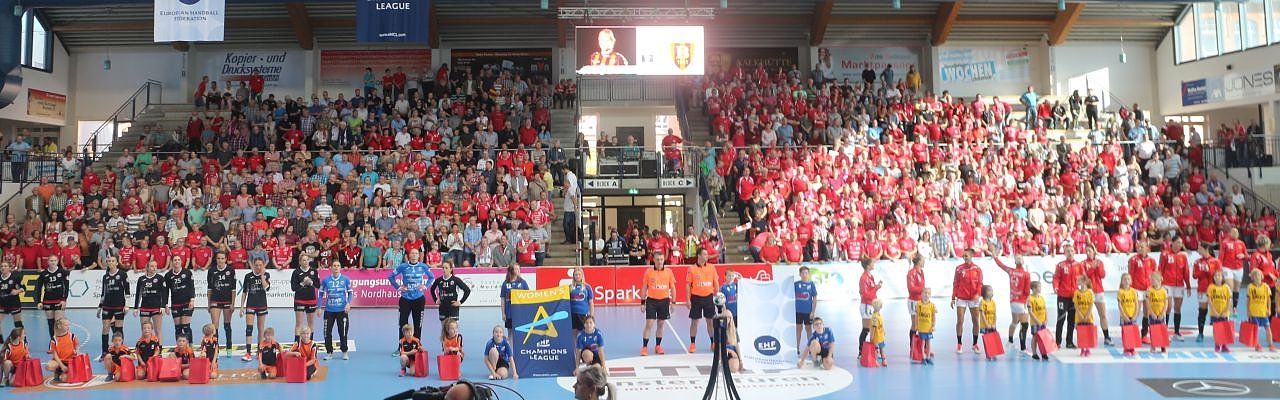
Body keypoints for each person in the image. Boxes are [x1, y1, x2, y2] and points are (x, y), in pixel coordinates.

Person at [389, 248, 434, 354]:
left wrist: (425, 286)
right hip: (405, 299)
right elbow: (391, 276)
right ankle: (401, 348)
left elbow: (431, 277)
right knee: (402, 323)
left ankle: (417, 346)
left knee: (418, 324)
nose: (414, 255)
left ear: (419, 256)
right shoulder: (403, 266)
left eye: (416, 253)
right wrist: (398, 287)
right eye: (412, 253)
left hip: (419, 299)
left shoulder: (423, 266)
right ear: (409, 255)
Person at [994, 254, 1030, 353]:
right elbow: (1027, 291)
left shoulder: (1011, 271)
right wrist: (1027, 303)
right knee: (1024, 325)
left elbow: (1001, 265)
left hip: (1013, 301)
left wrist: (995, 257)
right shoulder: (1026, 274)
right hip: (1021, 302)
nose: (1019, 258)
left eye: (1020, 257)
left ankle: (1010, 341)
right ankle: (1023, 348)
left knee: (1014, 321)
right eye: (1018, 258)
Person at [639, 258, 674, 356]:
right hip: (651, 301)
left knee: (661, 324)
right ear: (654, 260)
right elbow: (644, 287)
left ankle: (658, 346)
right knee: (649, 323)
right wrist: (642, 303)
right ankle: (644, 347)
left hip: (664, 301)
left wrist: (673, 302)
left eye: (661, 259)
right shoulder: (648, 272)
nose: (659, 261)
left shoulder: (668, 272)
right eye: (658, 259)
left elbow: (673, 288)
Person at [319, 260, 353, 360]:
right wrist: (319, 307)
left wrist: (348, 303)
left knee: (343, 332)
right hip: (329, 310)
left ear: (340, 268)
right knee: (327, 332)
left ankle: (344, 351)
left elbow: (350, 293)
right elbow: (320, 294)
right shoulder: (326, 280)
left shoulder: (345, 279)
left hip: (342, 310)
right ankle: (329, 352)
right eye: (334, 265)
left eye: (338, 265)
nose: (336, 267)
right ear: (331, 268)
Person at [686, 249, 718, 353]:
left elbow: (715, 282)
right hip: (696, 298)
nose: (707, 256)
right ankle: (692, 344)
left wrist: (717, 294)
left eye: (707, 254)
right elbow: (688, 285)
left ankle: (713, 342)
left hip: (708, 298)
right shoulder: (692, 268)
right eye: (705, 254)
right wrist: (688, 299)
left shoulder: (711, 267)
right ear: (699, 256)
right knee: (694, 322)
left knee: (710, 322)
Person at [97, 256, 129, 361]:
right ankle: (104, 351)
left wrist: (127, 305)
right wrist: (99, 307)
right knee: (105, 328)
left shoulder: (123, 274)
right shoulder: (105, 276)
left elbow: (127, 291)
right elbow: (103, 293)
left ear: (116, 263)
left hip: (119, 305)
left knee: (119, 328)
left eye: (113, 261)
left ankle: (121, 350)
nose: (110, 262)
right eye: (109, 261)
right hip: (107, 305)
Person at [952, 249, 983, 353]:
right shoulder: (959, 269)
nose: (964, 257)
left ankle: (975, 344)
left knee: (976, 321)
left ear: (971, 256)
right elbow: (955, 283)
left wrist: (978, 294)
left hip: (974, 299)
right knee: (960, 320)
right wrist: (953, 297)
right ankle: (959, 344)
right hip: (961, 298)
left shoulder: (977, 269)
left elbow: (980, 283)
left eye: (966, 256)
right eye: (963, 256)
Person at [240, 259, 272, 362]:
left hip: (262, 305)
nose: (258, 267)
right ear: (253, 265)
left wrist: (262, 276)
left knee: (261, 329)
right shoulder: (248, 276)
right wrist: (242, 307)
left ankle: (259, 351)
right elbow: (244, 292)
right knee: (249, 328)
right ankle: (248, 353)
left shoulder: (266, 275)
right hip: (250, 305)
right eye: (256, 265)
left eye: (260, 265)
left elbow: (266, 288)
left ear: (263, 265)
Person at [1081, 246, 1112, 346]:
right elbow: (1084, 277)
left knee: (1103, 315)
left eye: (1089, 251)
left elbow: (1102, 275)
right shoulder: (1083, 263)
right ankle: (1086, 338)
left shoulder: (1099, 262)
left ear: (1094, 251)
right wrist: (1092, 268)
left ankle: (1107, 337)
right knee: (1086, 315)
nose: (1087, 253)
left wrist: (1097, 267)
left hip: (1098, 291)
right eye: (1086, 251)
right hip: (1087, 292)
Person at [208, 253, 238, 355]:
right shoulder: (211, 271)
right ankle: (215, 347)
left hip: (227, 300)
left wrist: (233, 303)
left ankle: (229, 347)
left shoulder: (230, 270)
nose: (220, 260)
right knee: (214, 325)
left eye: (222, 258)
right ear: (216, 259)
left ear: (225, 259)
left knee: (227, 324)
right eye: (218, 258)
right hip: (215, 300)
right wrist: (209, 303)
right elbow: (209, 288)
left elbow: (233, 289)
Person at [1162, 237, 1191, 341]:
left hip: (1179, 285)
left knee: (1177, 308)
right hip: (1167, 284)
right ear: (1172, 243)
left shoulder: (1183, 256)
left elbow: (1186, 271)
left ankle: (1176, 332)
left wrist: (1188, 285)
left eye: (1181, 243)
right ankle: (1164, 331)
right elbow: (1161, 268)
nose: (1180, 245)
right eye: (1178, 242)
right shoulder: (1165, 254)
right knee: (1168, 307)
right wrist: (1159, 284)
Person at [35, 255, 70, 339]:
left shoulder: (63, 272)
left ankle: (62, 342)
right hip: (47, 300)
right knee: (51, 323)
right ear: (48, 262)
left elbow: (66, 287)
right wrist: (39, 301)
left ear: (57, 262)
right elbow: (38, 288)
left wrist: (64, 299)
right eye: (51, 260)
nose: (53, 262)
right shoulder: (43, 273)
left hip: (59, 300)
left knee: (59, 323)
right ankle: (53, 342)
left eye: (55, 260)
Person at [1194, 242, 1222, 342]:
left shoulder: (1216, 261)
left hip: (1214, 290)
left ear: (1206, 249)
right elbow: (1194, 275)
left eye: (1200, 248)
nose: (1198, 250)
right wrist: (1203, 271)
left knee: (1217, 310)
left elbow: (1219, 275)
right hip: (1202, 289)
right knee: (1202, 311)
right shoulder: (1197, 262)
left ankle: (1219, 334)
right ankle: (1200, 333)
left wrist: (1209, 271)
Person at [1054, 245, 1081, 348]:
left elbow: (1083, 278)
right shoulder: (1060, 265)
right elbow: (1056, 278)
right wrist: (1056, 287)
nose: (1070, 253)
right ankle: (1057, 342)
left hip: (1074, 297)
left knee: (1071, 320)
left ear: (1074, 252)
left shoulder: (1079, 265)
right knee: (1061, 318)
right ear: (1065, 253)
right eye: (1068, 251)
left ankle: (1069, 342)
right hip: (1062, 296)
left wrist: (1084, 289)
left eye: (1071, 251)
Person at [1129, 241, 1157, 338]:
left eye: (1142, 247)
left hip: (1148, 289)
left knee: (1147, 312)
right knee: (1135, 311)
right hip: (1137, 289)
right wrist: (1131, 289)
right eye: (1138, 247)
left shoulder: (1152, 260)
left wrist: (1153, 287)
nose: (1139, 249)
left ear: (1147, 248)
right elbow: (1131, 274)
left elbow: (1154, 275)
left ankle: (1144, 334)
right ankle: (1132, 333)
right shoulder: (1133, 259)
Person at [135, 260, 168, 342]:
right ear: (147, 268)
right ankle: (146, 346)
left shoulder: (160, 278)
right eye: (152, 266)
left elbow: (164, 293)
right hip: (144, 307)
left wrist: (163, 306)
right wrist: (136, 307)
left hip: (156, 307)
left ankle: (159, 348)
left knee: (157, 330)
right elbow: (138, 294)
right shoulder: (141, 279)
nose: (154, 268)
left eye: (155, 266)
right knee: (145, 330)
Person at [167, 256, 196, 344]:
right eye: (175, 260)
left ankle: (190, 346)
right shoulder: (168, 275)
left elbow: (191, 287)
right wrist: (165, 305)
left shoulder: (187, 272)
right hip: (175, 303)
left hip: (186, 302)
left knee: (185, 326)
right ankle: (179, 347)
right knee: (178, 328)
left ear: (181, 262)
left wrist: (192, 300)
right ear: (172, 262)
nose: (177, 261)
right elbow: (165, 291)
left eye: (178, 260)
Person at [1245, 269, 1276, 352]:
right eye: (1255, 276)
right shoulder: (1250, 287)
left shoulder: (1266, 287)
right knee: (1256, 329)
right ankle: (1257, 344)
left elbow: (1269, 299)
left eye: (1258, 275)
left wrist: (1269, 309)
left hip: (1263, 312)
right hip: (1254, 312)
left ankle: (1271, 344)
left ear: (1262, 276)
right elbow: (1248, 300)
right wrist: (1248, 311)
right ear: (1252, 278)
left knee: (1268, 328)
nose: (1257, 277)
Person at [291, 258, 320, 343]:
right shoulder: (296, 272)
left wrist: (311, 282)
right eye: (304, 260)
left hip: (311, 299)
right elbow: (293, 288)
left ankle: (310, 343)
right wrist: (303, 283)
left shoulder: (313, 271)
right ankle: (296, 344)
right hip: (299, 299)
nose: (306, 262)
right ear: (300, 262)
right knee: (299, 323)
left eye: (307, 260)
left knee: (311, 322)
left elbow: (318, 285)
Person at [500, 265, 530, 341]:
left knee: (520, 331)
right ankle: (510, 348)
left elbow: (528, 297)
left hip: (520, 312)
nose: (518, 270)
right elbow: (503, 299)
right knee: (510, 332)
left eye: (519, 269)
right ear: (512, 270)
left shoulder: (523, 282)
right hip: (509, 313)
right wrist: (503, 313)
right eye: (516, 269)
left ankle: (520, 347)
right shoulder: (505, 283)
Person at [794, 266, 818, 355]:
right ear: (800, 274)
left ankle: (811, 348)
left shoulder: (811, 284)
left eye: (806, 273)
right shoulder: (796, 284)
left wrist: (813, 312)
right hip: (798, 312)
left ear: (808, 274)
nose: (804, 275)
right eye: (803, 273)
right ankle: (796, 348)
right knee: (798, 330)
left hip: (808, 312)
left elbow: (815, 298)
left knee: (808, 330)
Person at [1207, 270, 1231, 352]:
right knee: (1216, 329)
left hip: (1224, 313)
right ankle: (1217, 344)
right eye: (1215, 276)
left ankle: (1224, 345)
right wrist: (1214, 312)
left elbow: (1229, 301)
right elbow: (1209, 301)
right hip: (1215, 313)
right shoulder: (1211, 287)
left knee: (1225, 329)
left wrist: (1226, 311)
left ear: (1222, 277)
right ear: (1213, 278)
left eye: (1219, 275)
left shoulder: (1226, 287)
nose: (1217, 277)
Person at [906, 257, 926, 351]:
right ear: (918, 262)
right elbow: (911, 288)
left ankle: (923, 347)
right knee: (915, 325)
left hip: (921, 300)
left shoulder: (921, 272)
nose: (924, 262)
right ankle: (912, 347)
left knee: (922, 323)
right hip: (914, 301)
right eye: (923, 260)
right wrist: (923, 290)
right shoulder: (911, 273)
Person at [1117, 273, 1140, 356]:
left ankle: (1132, 348)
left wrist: (1135, 315)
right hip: (1124, 316)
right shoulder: (1120, 292)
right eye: (1125, 279)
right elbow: (1120, 305)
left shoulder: (1133, 291)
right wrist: (1124, 316)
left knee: (1132, 332)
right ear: (1122, 281)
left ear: (1131, 281)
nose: (1126, 281)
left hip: (1132, 315)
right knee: (1125, 332)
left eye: (1128, 279)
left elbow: (1136, 304)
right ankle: (1126, 348)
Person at [1147, 272, 1169, 353]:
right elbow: (1148, 303)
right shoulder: (1149, 290)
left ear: (1159, 280)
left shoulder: (1163, 291)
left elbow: (1166, 303)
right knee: (1153, 330)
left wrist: (1163, 313)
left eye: (1153, 280)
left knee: (1162, 330)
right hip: (1152, 315)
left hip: (1161, 315)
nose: (1152, 282)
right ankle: (1153, 345)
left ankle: (1163, 346)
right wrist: (1152, 313)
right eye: (1151, 280)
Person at [570, 267, 595, 339]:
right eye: (576, 275)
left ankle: (583, 346)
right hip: (573, 314)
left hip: (583, 314)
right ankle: (575, 346)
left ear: (582, 275)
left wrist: (591, 316)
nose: (577, 276)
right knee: (574, 333)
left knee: (584, 332)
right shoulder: (570, 287)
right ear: (573, 276)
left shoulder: (587, 287)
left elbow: (591, 302)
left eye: (579, 274)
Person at [1073, 277, 1096, 356]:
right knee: (1081, 333)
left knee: (1088, 333)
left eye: (1079, 280)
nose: (1077, 282)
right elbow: (1076, 305)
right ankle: (1082, 349)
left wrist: (1087, 315)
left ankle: (1088, 349)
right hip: (1079, 317)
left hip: (1088, 317)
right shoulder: (1076, 292)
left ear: (1084, 281)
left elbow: (1091, 304)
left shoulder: (1090, 292)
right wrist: (1080, 315)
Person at [1028, 282, 1050, 361]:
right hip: (1035, 323)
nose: (1040, 288)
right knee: (1035, 337)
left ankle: (1044, 353)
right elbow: (1030, 312)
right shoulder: (1030, 298)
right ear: (1034, 288)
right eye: (1039, 287)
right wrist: (1037, 321)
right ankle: (1034, 353)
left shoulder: (1041, 298)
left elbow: (1045, 309)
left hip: (1043, 322)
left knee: (1043, 338)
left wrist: (1046, 319)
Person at [915, 288, 936, 365]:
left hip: (929, 329)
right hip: (921, 328)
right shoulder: (918, 304)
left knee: (928, 343)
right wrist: (916, 325)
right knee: (922, 343)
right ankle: (923, 358)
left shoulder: (932, 305)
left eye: (928, 293)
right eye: (925, 293)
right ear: (921, 294)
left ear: (930, 295)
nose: (926, 295)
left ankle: (928, 357)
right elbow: (917, 316)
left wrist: (933, 326)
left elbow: (933, 317)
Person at [0, 263, 23, 333]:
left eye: (5, 266)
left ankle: (22, 338)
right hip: (2, 303)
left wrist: (17, 291)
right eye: (2, 266)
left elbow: (24, 288)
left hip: (14, 303)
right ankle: (1, 339)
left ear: (9, 268)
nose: (3, 267)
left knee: (18, 323)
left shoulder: (15, 277)